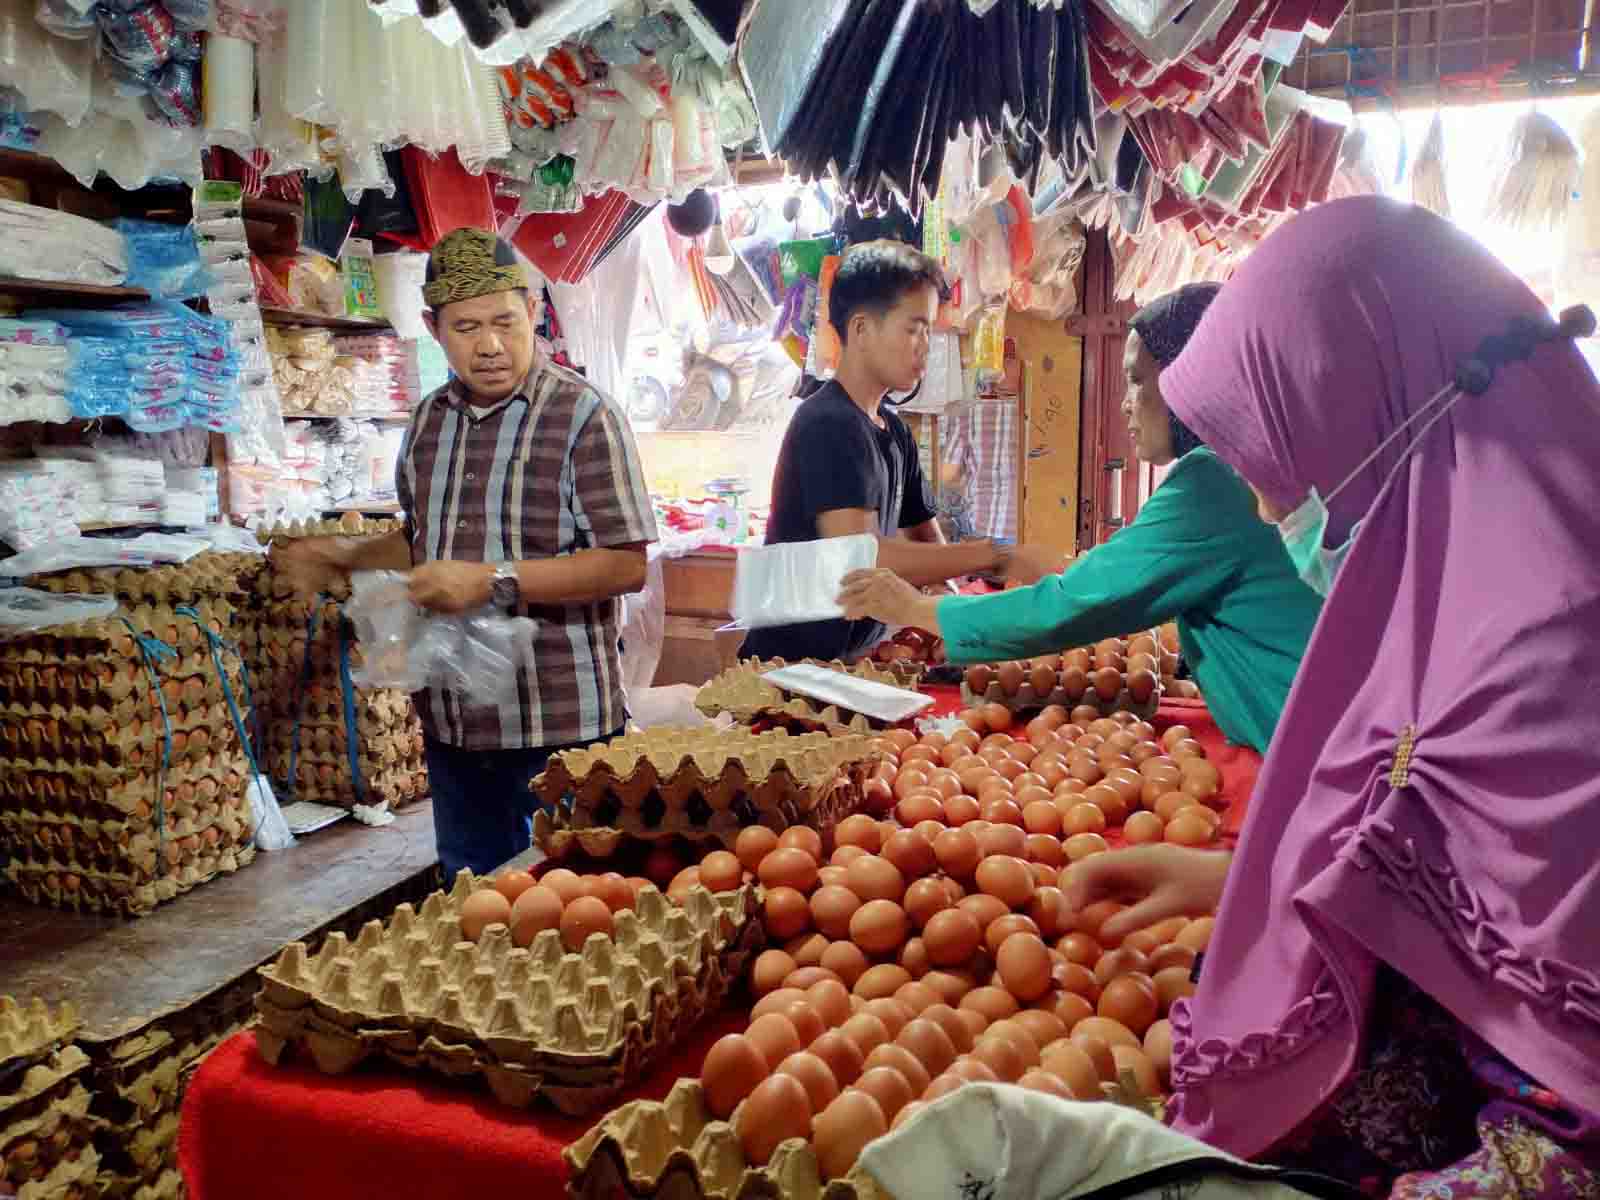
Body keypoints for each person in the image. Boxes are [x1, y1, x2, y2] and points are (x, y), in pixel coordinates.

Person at [1063, 197, 1600, 1195]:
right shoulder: (1445, 610)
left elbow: (1563, 1127)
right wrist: (1247, 884)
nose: (1272, 512)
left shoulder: (1546, 665)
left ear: (1376, 410)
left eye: (1281, 458)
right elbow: (1465, 889)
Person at [274, 228, 658, 877]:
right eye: (466, 326)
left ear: (533, 310)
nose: (489, 345)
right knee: (471, 904)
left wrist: (491, 580)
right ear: (432, 327)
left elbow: (626, 563)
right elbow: (421, 540)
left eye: (506, 322)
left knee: (575, 906)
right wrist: (343, 555)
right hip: (455, 728)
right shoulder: (427, 422)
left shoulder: (585, 416)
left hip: (560, 729)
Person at [838, 283, 1321, 753]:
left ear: (1192, 378)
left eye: (1137, 379)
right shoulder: (1258, 460)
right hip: (1320, 726)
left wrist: (914, 609)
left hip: (1310, 743)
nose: (1125, 404)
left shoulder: (1213, 479)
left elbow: (1073, 608)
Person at [741, 240, 1060, 664]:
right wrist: (999, 555)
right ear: (860, 331)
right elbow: (863, 556)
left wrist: (950, 620)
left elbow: (926, 538)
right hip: (793, 672)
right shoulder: (828, 423)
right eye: (913, 329)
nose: (924, 344)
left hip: (854, 661)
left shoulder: (892, 430)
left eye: (929, 329)